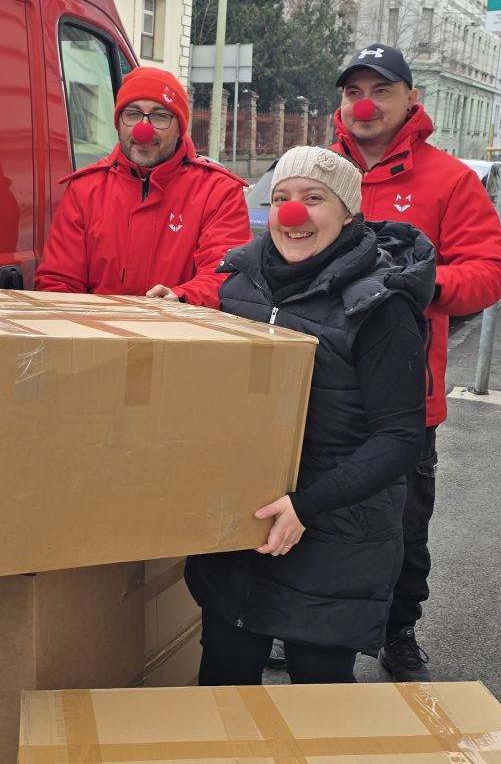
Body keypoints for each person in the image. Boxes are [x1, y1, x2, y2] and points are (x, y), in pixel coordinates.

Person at [168, 146, 435, 685]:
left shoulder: (381, 307)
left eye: (314, 199)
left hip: (335, 532)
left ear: (348, 214)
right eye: (282, 198)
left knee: (319, 693)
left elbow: (400, 436)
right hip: (242, 524)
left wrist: (306, 506)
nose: (294, 214)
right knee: (224, 676)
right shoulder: (238, 284)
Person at [331, 43, 501, 681]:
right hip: (317, 387)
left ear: (411, 99)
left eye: (381, 90)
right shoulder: (316, 172)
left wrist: (428, 285)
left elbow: (491, 272)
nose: (366, 103)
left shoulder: (448, 179)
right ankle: (306, 620)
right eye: (355, 91)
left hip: (405, 394)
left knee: (403, 523)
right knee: (314, 510)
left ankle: (397, 631)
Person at [35, 66, 251, 308]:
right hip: (100, 339)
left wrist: (181, 297)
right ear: (119, 122)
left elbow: (225, 275)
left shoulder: (218, 191)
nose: (143, 129)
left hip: (179, 337)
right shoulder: (84, 190)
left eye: (160, 116)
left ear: (180, 127)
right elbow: (58, 283)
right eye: (133, 114)